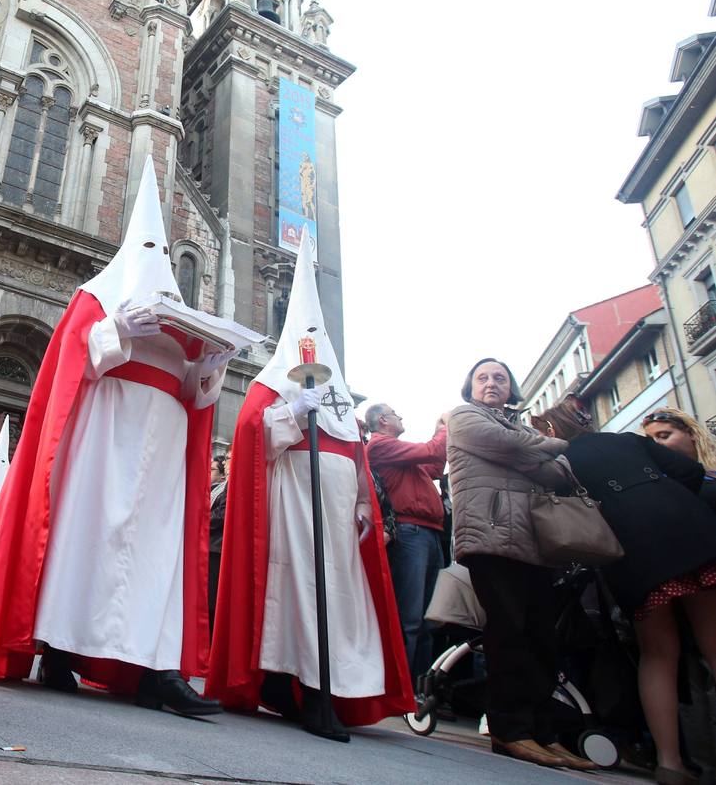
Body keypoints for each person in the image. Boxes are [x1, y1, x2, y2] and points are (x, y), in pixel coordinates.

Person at [0, 161, 232, 718]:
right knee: (87, 538)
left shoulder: (183, 323)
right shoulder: (98, 298)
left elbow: (197, 396)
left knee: (157, 553)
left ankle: (155, 667)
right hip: (103, 441)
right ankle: (60, 649)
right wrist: (120, 330)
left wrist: (211, 365)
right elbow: (73, 363)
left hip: (162, 452)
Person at [206, 231, 410, 743]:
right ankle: (297, 684)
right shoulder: (272, 382)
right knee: (297, 589)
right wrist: (292, 413)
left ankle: (334, 685)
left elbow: (356, 450)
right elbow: (253, 439)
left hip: (339, 512)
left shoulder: (337, 387)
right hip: (293, 502)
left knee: (340, 595)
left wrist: (366, 503)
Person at [534, 402, 716, 785]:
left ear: (550, 430)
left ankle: (670, 763)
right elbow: (691, 472)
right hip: (688, 530)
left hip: (632, 551)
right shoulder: (628, 440)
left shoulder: (559, 462)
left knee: (658, 653)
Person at [444, 358, 594, 770]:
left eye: (500, 377)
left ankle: (543, 733)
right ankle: (510, 730)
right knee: (509, 632)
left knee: (543, 638)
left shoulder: (523, 428)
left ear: (512, 388)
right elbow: (506, 445)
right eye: (483, 377)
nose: (492, 383)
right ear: (470, 387)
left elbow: (561, 475)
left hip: (536, 541)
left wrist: (533, 452)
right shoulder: (462, 416)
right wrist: (554, 446)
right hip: (490, 536)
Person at [365, 403, 448, 690]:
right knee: (410, 617)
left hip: (429, 532)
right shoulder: (379, 446)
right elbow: (432, 451)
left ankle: (418, 689)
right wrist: (448, 425)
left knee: (426, 619)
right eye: (395, 413)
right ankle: (398, 687)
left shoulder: (400, 452)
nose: (401, 416)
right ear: (384, 420)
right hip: (410, 532)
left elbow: (435, 465)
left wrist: (440, 431)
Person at [643, 407, 716, 510]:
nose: (656, 444)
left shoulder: (710, 472)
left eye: (664, 436)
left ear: (691, 433)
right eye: (651, 441)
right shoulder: (662, 487)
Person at [208, 451, 230, 632]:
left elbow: (222, 515)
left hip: (216, 548)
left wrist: (199, 522)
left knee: (210, 603)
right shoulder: (215, 488)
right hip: (209, 546)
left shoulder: (230, 485)